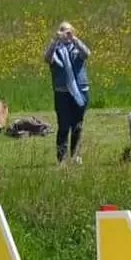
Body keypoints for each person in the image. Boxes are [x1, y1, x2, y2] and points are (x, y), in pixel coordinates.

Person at [43, 21, 91, 164]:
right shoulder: (55, 50)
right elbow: (47, 58)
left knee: (77, 125)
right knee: (63, 126)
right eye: (62, 30)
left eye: (68, 31)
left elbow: (87, 54)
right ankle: (62, 158)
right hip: (62, 92)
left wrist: (74, 39)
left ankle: (76, 156)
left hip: (80, 92)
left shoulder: (77, 47)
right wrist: (55, 40)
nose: (66, 33)